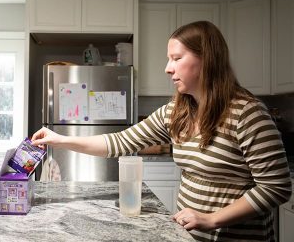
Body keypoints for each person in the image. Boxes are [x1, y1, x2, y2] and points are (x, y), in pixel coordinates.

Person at [31, 21, 292, 242]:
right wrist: (59, 139)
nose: (168, 68)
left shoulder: (247, 113)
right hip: (187, 236)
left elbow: (276, 187)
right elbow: (120, 141)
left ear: (207, 60)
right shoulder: (176, 111)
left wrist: (212, 220)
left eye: (177, 58)